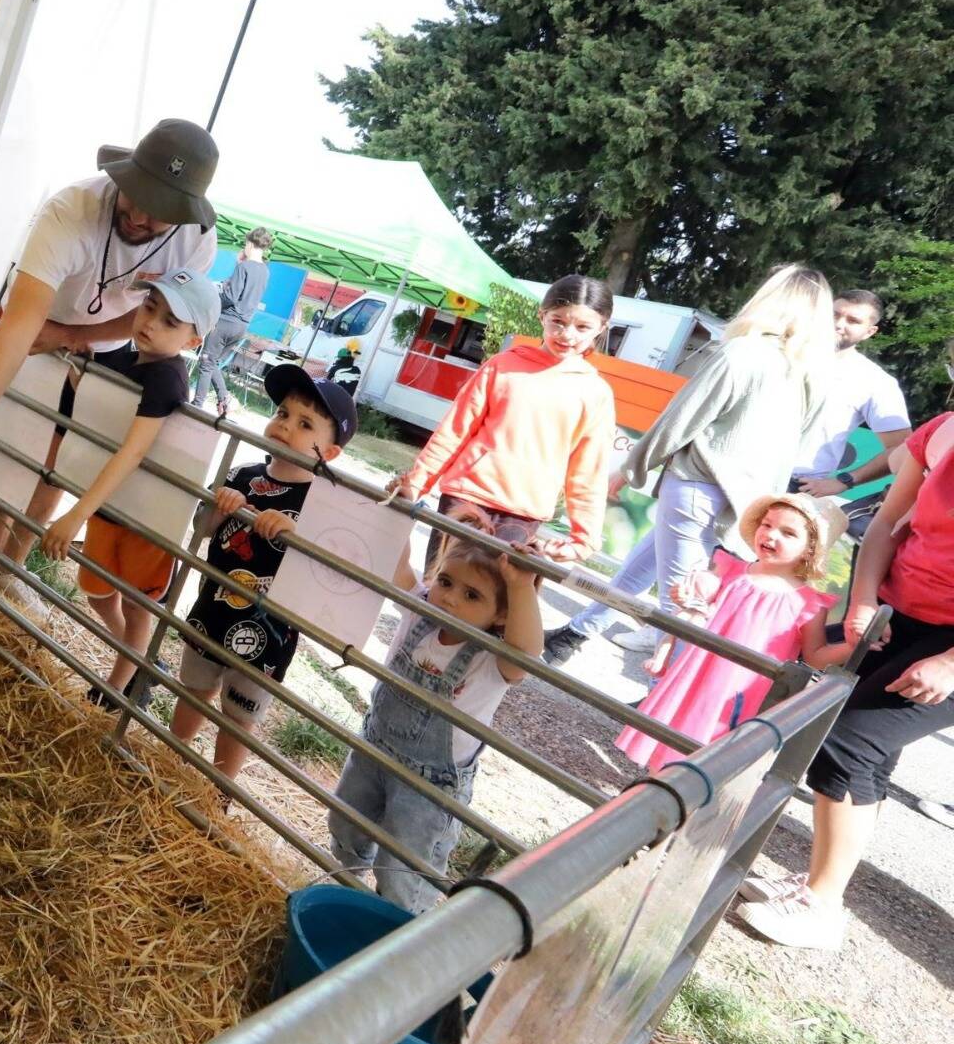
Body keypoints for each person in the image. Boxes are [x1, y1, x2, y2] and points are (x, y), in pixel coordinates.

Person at [0, 119, 220, 590]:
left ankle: (10, 574)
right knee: (12, 457)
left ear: (186, 214)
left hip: (110, 347)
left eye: (160, 211)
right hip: (37, 331)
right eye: (136, 196)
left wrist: (74, 335)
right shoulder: (71, 210)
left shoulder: (196, 242)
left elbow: (163, 316)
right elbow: (21, 323)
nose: (141, 217)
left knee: (58, 470)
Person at [737, 412, 954, 949]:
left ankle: (822, 907)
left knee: (847, 742)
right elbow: (884, 524)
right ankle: (818, 882)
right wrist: (862, 601)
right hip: (900, 609)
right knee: (864, 750)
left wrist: (950, 663)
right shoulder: (943, 428)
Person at [545, 265, 833, 663]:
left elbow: (680, 419)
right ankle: (573, 636)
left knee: (682, 604)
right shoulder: (809, 375)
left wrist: (630, 470)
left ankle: (663, 696)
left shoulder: (743, 352)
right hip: (747, 503)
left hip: (699, 486)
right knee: (641, 572)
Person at [327, 535, 540, 913]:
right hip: (373, 749)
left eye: (472, 595)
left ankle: (394, 924)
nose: (450, 598)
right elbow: (396, 562)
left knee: (404, 869)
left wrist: (521, 586)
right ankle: (345, 890)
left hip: (430, 786)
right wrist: (404, 511)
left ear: (502, 615)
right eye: (446, 582)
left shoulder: (493, 660)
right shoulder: (418, 611)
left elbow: (526, 653)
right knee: (346, 824)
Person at [33, 271, 217, 707]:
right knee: (97, 591)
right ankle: (138, 663)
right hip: (112, 506)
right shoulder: (129, 359)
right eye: (150, 307)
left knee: (137, 606)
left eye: (171, 322)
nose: (151, 322)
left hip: (148, 515)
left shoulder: (166, 379)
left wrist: (75, 512)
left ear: (193, 342)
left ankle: (117, 690)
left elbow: (133, 451)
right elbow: (92, 393)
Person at [169, 363, 357, 777]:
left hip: (267, 637)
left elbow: (324, 576)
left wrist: (297, 534)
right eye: (283, 413)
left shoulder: (322, 506)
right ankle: (168, 759)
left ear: (331, 452)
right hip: (212, 613)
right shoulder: (243, 474)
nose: (286, 425)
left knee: (239, 717)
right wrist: (220, 508)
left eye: (306, 423)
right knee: (193, 692)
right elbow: (200, 531)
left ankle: (220, 791)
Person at [614, 492, 851, 771]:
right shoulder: (732, 570)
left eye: (787, 533)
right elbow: (698, 605)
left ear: (810, 550)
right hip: (697, 672)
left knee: (715, 746)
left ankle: (683, 797)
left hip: (743, 689)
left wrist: (852, 646)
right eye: (767, 524)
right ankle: (656, 785)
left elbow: (814, 656)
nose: (770, 535)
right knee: (677, 728)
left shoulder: (808, 603)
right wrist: (686, 596)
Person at [394, 275, 618, 569]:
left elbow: (588, 472)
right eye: (558, 321)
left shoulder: (596, 393)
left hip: (522, 514)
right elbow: (454, 431)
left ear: (602, 328)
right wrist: (416, 484)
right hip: (465, 496)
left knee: (483, 605)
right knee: (437, 589)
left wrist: (583, 539)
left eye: (582, 327)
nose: (567, 335)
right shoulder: (502, 365)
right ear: (542, 316)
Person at [786, 289, 911, 551]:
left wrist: (845, 480)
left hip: (795, 487)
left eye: (853, 321)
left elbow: (902, 448)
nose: (839, 324)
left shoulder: (875, 382)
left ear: (870, 332)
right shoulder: (783, 352)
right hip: (741, 469)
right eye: (834, 313)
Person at [192, 226, 275, 417]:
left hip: (225, 321)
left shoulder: (244, 267)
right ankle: (223, 398)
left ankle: (197, 405)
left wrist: (213, 301)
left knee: (206, 362)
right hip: (242, 326)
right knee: (213, 363)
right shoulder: (265, 271)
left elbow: (231, 296)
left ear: (249, 244)